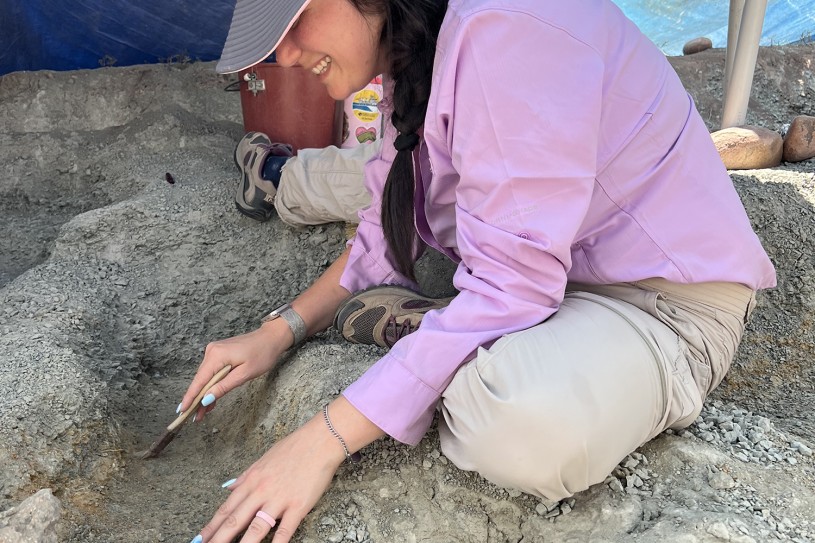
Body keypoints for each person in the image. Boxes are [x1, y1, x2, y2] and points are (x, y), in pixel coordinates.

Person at [179, 0, 777, 542]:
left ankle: (442, 333)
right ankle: (447, 329)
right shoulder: (421, 46)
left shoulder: (506, 30)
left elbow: (512, 285)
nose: (282, 53)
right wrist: (279, 330)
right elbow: (389, 218)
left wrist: (320, 441)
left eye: (294, 18)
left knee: (511, 422)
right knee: (366, 181)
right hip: (551, 271)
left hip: (660, 306)